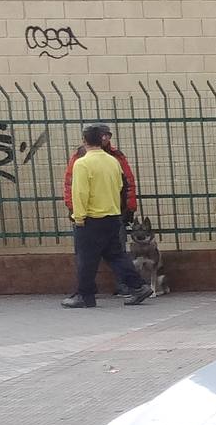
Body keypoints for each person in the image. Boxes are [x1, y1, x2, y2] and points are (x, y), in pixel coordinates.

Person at [64, 123, 152, 309]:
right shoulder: (113, 161)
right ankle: (138, 287)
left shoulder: (82, 163)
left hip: (91, 218)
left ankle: (84, 295)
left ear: (84, 140)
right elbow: (121, 187)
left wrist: (78, 217)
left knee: (86, 258)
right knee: (116, 256)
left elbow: (79, 193)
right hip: (112, 216)